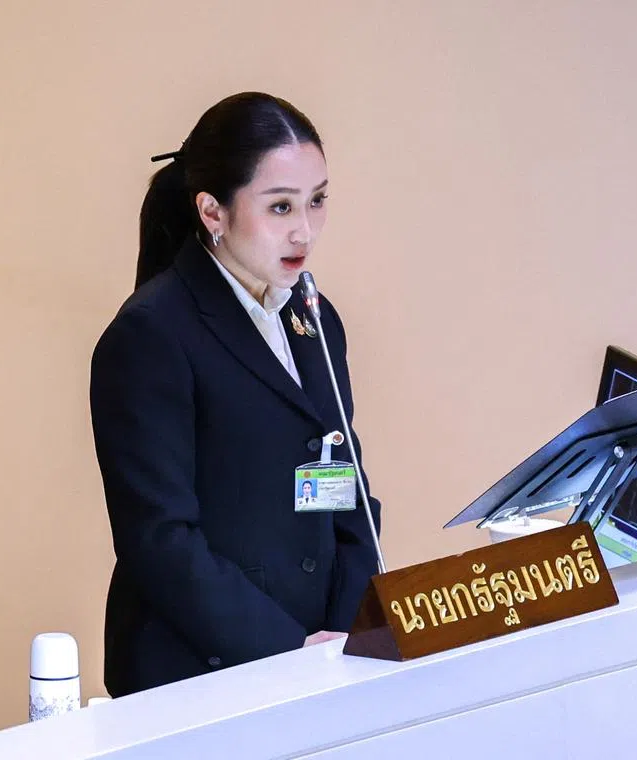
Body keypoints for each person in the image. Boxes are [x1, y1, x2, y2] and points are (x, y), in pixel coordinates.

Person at [89, 92, 382, 697]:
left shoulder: (314, 318)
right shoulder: (152, 332)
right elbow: (159, 540)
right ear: (212, 212)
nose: (305, 229)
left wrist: (353, 628)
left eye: (317, 200)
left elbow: (344, 485)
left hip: (321, 657)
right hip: (199, 668)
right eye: (280, 207)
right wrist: (288, 651)